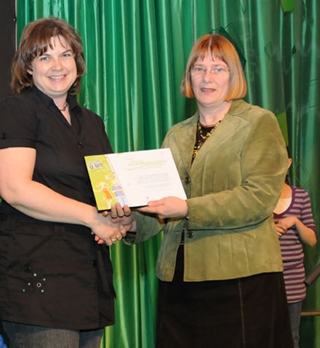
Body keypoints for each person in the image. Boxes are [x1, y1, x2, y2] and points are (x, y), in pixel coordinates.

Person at [121, 34, 293, 347]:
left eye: (218, 68)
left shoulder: (258, 123)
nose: (207, 77)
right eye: (198, 69)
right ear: (188, 77)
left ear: (235, 75)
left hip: (240, 279)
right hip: (178, 281)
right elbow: (162, 205)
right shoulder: (176, 133)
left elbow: (258, 198)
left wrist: (188, 209)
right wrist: (131, 223)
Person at [0, 17, 126, 348]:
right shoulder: (15, 111)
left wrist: (123, 217)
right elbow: (15, 189)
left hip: (89, 281)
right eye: (44, 57)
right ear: (28, 67)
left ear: (78, 62)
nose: (57, 65)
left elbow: (107, 193)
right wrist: (92, 216)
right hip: (36, 283)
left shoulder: (91, 123)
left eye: (66, 55)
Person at [274, 147, 317, 348]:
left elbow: (312, 240)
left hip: (292, 279)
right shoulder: (258, 198)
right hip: (263, 277)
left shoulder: (301, 196)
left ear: (289, 162)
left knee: (291, 337)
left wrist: (295, 222)